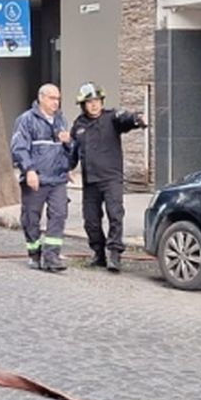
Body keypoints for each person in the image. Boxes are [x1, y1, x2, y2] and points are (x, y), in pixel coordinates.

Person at [69, 82, 147, 271]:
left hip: (111, 178)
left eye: (97, 101)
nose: (94, 105)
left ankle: (114, 254)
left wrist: (137, 119)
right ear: (83, 105)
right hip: (90, 181)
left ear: (102, 102)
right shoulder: (78, 125)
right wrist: (66, 168)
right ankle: (98, 253)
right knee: (91, 220)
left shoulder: (112, 118)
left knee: (115, 215)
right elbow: (73, 151)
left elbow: (126, 118)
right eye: (89, 102)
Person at [11, 83, 73, 272]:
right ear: (41, 98)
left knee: (59, 214)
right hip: (36, 178)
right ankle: (34, 253)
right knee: (31, 217)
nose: (56, 102)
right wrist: (29, 170)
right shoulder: (26, 120)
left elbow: (67, 149)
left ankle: (52, 256)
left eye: (58, 98)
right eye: (52, 98)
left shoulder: (61, 120)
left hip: (57, 179)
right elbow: (19, 147)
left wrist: (68, 151)